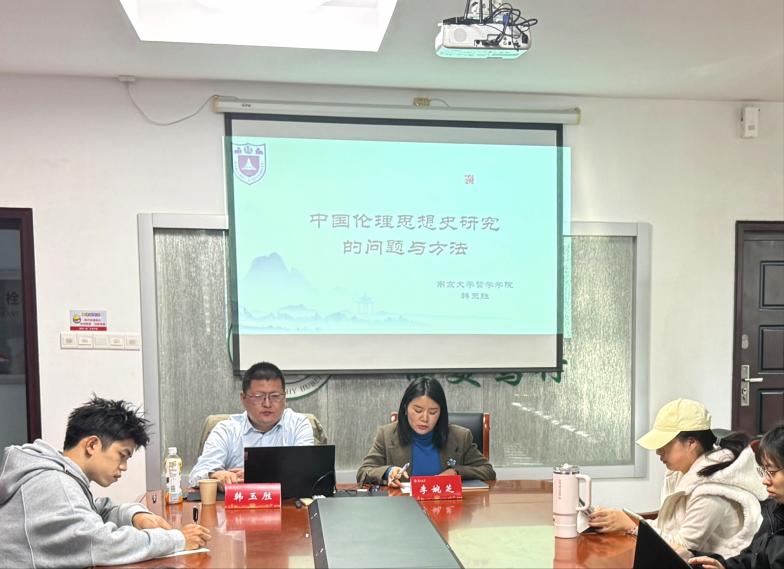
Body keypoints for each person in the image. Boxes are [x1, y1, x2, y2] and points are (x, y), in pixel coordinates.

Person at [0, 395, 210, 567]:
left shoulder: (60, 477)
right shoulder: (54, 484)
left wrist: (135, 516)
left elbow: (95, 511)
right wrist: (178, 539)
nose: (124, 466)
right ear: (92, 445)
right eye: (122, 455)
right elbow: (102, 544)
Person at [588, 398, 766, 558]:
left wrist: (630, 526)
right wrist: (624, 520)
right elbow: (667, 526)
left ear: (691, 442)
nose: (658, 452)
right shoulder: (679, 472)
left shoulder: (713, 490)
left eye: (665, 444)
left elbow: (684, 548)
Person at [189, 361, 314, 488]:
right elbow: (197, 475)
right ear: (243, 398)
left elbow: (306, 472)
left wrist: (256, 475)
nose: (267, 404)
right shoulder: (226, 430)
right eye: (258, 397)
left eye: (275, 396)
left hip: (286, 500)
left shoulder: (298, 425)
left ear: (284, 397)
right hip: (238, 500)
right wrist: (214, 475)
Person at [356, 377, 495, 487]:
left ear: (441, 413)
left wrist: (456, 472)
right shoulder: (386, 435)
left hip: (447, 509)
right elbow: (363, 472)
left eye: (433, 412)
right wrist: (388, 472)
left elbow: (488, 471)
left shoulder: (460, 437)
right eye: (418, 410)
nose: (424, 418)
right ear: (405, 408)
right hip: (403, 508)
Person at [689, 423, 784, 569]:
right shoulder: (774, 510)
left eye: (771, 471)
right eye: (763, 471)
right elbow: (751, 559)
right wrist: (722, 565)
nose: (765, 480)